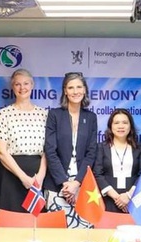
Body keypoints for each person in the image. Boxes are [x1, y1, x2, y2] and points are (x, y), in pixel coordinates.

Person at [44, 72, 98, 228]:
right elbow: (50, 150)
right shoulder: (55, 115)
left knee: (82, 235)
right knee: (57, 236)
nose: (75, 91)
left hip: (82, 185)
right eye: (71, 87)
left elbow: (91, 153)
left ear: (85, 90)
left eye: (79, 87)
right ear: (65, 91)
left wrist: (76, 183)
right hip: (57, 184)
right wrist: (65, 183)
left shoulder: (91, 117)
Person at [0, 69, 48, 215]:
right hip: (12, 176)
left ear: (32, 85)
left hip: (38, 175)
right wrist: (23, 177)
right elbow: (1, 152)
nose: (22, 88)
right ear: (12, 87)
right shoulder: (4, 114)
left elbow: (49, 149)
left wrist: (40, 176)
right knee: (11, 223)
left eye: (26, 83)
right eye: (17, 84)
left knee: (36, 224)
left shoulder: (44, 114)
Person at [93, 109, 141, 213]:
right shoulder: (101, 147)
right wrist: (117, 198)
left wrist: (128, 196)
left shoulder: (139, 148)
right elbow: (98, 174)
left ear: (130, 126)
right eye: (116, 123)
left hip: (133, 199)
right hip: (109, 199)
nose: (121, 126)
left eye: (125, 123)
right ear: (110, 126)